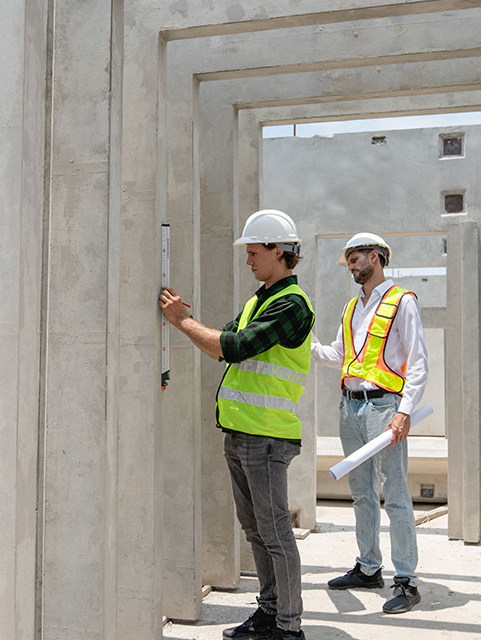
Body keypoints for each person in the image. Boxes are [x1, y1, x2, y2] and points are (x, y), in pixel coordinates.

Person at [159, 209, 314, 640]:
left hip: (267, 436)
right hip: (242, 433)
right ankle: (268, 612)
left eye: (254, 252)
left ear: (279, 253)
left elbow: (234, 347)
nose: (248, 261)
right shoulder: (257, 301)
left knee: (276, 532)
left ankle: (289, 626)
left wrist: (181, 322)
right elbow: (224, 336)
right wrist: (191, 325)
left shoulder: (291, 305)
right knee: (256, 531)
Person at [310, 232, 428, 615]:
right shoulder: (351, 308)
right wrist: (302, 344)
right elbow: (338, 354)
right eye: (348, 260)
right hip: (350, 407)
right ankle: (368, 567)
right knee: (361, 493)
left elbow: (419, 363)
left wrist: (404, 411)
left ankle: (407, 580)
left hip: (384, 408)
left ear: (375, 257)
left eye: (355, 258)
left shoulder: (402, 302)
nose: (350, 265)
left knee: (394, 493)